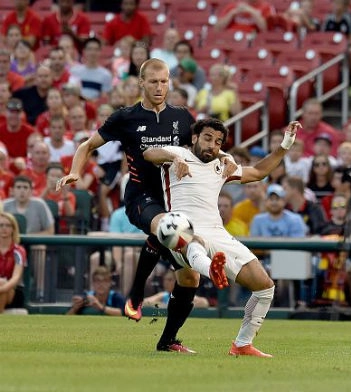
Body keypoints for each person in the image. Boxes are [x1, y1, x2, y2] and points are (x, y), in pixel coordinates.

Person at [56, 58, 229, 353]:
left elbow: (205, 147)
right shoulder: (126, 117)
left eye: (164, 81)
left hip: (174, 199)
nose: (160, 87)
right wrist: (75, 171)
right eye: (153, 82)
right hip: (140, 198)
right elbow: (87, 145)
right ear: (141, 83)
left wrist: (225, 158)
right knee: (167, 225)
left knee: (189, 277)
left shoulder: (182, 117)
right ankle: (136, 294)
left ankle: (167, 341)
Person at [143, 118, 300, 356]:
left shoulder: (221, 165)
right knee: (194, 241)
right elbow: (149, 153)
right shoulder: (178, 154)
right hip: (181, 226)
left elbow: (258, 171)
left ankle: (242, 344)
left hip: (217, 231)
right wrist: (174, 158)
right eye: (207, 138)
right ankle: (211, 271)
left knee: (265, 286)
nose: (212, 146)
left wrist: (285, 144)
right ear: (194, 138)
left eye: (218, 142)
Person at [321, 0, 351, 98]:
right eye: (335, 4)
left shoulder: (348, 17)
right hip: (331, 48)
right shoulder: (328, 18)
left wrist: (343, 46)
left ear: (344, 6)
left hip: (346, 47)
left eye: (339, 4)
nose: (336, 6)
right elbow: (322, 37)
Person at [0, 211, 27, 314]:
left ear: (13, 229)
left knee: (3, 282)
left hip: (13, 290)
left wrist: (2, 289)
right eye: (1, 225)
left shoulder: (18, 251)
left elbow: (16, 278)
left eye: (8, 225)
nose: (4, 228)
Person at [69, 37, 113, 102]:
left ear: (100, 52)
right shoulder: (75, 71)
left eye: (96, 49)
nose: (93, 53)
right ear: (84, 51)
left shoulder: (106, 74)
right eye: (89, 49)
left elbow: (105, 97)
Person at [143, 268, 209, 309]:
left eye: (169, 280)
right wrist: (165, 306)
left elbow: (204, 302)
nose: (166, 283)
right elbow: (145, 302)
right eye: (165, 280)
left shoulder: (186, 295)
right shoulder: (164, 295)